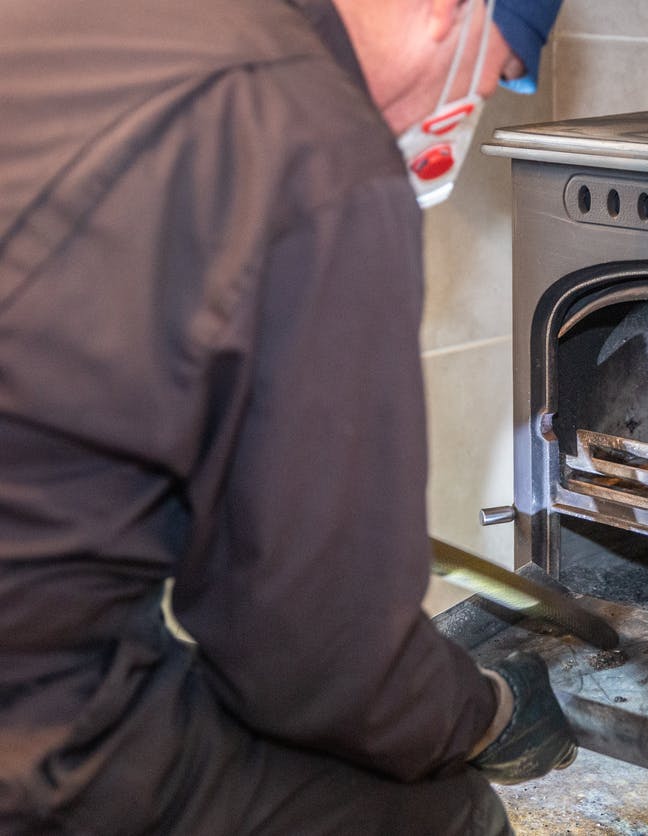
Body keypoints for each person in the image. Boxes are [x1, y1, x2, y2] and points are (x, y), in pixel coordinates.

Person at [0, 0, 570, 833]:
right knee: (446, 813)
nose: (485, 95)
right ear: (447, 10)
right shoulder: (316, 145)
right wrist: (483, 713)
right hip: (30, 740)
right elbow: (311, 656)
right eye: (504, 68)